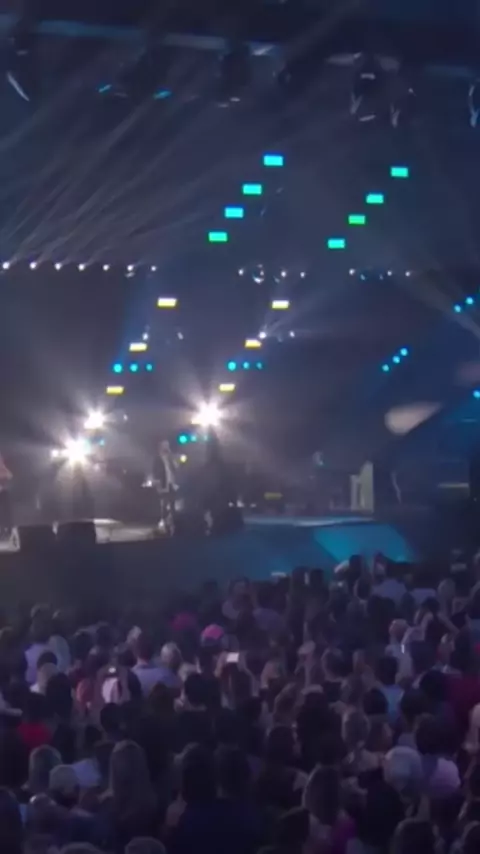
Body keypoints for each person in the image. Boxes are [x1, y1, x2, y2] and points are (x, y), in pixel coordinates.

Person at [0, 453, 13, 540]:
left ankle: (7, 531)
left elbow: (9, 476)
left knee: (5, 512)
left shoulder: (4, 470)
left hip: (3, 494)